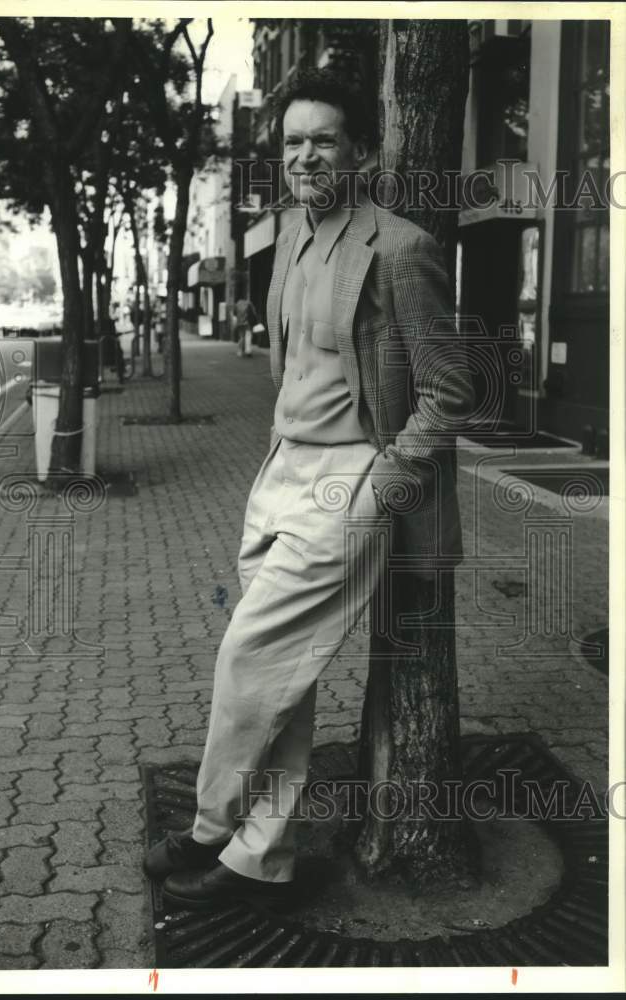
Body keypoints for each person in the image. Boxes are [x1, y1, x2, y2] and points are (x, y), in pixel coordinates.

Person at [144, 68, 475, 911]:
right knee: (284, 681)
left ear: (360, 151)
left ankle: (211, 826)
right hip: (278, 473)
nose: (305, 155)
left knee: (246, 658)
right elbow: (294, 364)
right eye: (293, 141)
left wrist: (382, 483)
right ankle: (264, 858)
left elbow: (448, 387)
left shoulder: (401, 249)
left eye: (323, 139)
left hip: (347, 485)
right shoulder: (286, 234)